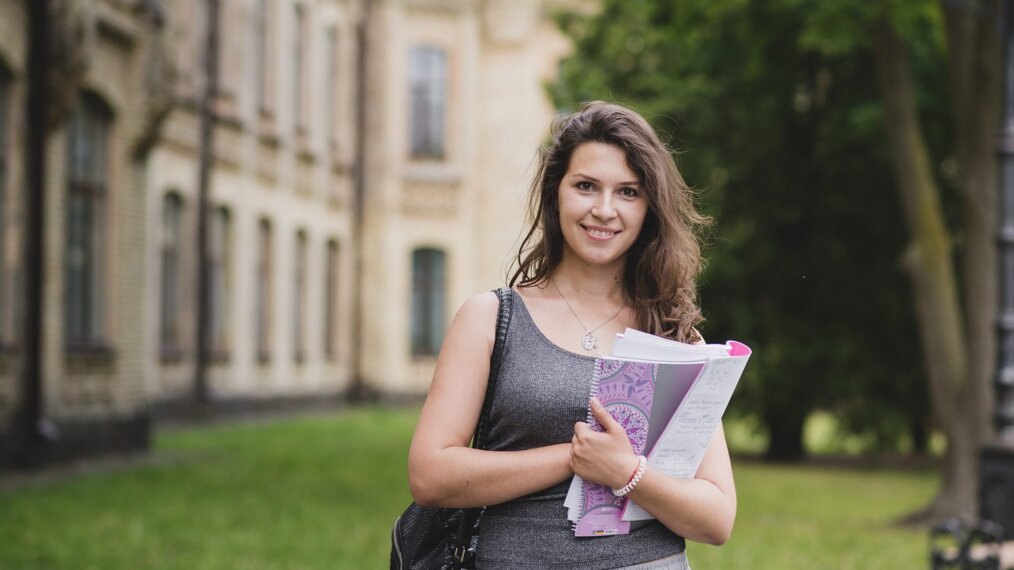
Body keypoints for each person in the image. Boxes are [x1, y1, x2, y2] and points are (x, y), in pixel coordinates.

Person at [407, 101, 735, 569]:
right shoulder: (492, 318)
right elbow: (430, 474)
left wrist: (627, 472)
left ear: (649, 209)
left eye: (628, 192)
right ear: (555, 193)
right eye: (586, 186)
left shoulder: (677, 339)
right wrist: (574, 456)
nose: (604, 210)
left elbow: (717, 518)